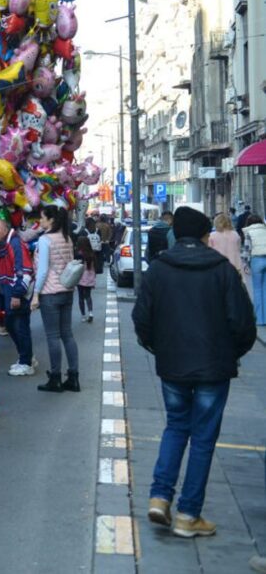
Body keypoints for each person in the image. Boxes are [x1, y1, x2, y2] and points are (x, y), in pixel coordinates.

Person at [133, 207, 255, 539]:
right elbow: (244, 323)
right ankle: (188, 514)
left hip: (173, 364)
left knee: (175, 426)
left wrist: (159, 348)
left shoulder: (158, 269)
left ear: (176, 234)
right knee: (202, 438)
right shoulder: (222, 271)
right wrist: (232, 353)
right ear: (205, 236)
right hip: (214, 367)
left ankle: (159, 497)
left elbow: (141, 319)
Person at [32, 205, 81, 394]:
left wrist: (36, 293)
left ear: (51, 220)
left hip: (50, 293)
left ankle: (55, 378)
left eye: (43, 218)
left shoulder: (45, 240)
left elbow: (43, 270)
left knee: (53, 336)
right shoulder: (67, 237)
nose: (40, 221)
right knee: (67, 334)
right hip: (67, 290)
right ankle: (73, 377)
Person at [0, 218, 35, 377]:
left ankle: (26, 362)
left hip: (15, 291)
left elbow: (24, 271)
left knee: (19, 325)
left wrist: (17, 294)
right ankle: (26, 356)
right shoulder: (4, 244)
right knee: (12, 324)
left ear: (4, 229)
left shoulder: (15, 244)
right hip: (7, 290)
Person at [208, 212, 244, 282]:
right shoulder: (235, 234)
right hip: (235, 265)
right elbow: (238, 248)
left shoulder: (211, 236)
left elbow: (209, 252)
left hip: (218, 266)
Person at [244, 215, 266, 326]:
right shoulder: (265, 230)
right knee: (265, 289)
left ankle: (260, 319)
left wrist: (246, 264)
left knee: (257, 290)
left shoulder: (249, 232)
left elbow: (247, 249)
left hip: (256, 260)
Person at [75, 235, 97, 324]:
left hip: (80, 277)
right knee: (88, 296)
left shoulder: (78, 254)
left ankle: (83, 315)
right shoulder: (91, 253)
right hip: (90, 277)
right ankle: (91, 313)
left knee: (80, 297)